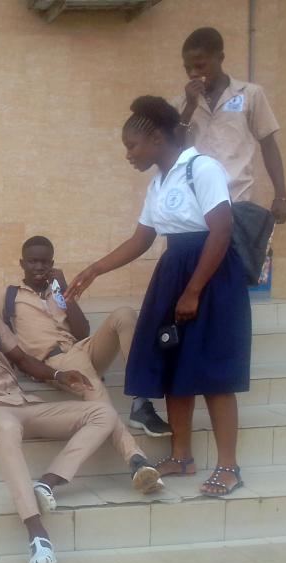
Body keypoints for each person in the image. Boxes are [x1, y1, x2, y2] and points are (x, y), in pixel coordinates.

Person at [0, 269, 164, 563]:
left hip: (23, 403)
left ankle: (48, 482)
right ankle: (36, 532)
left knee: (103, 412)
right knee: (7, 427)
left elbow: (22, 359)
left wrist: (58, 374)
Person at [67, 96, 252, 498]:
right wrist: (95, 269)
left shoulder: (202, 168)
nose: (128, 154)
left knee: (215, 373)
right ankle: (181, 456)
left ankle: (229, 466)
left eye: (132, 145)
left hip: (210, 275)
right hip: (173, 273)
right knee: (174, 366)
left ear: (155, 138)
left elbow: (221, 231)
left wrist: (193, 291)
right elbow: (142, 239)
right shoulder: (158, 183)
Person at [0, 235, 172, 439]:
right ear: (22, 263)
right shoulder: (10, 296)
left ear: (52, 264)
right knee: (93, 385)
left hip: (80, 349)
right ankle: (125, 443)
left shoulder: (58, 291)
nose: (39, 267)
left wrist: (65, 290)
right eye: (32, 261)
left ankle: (141, 402)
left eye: (44, 262)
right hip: (55, 361)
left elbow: (82, 332)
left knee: (124, 314)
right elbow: (1, 337)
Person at [175, 26, 286, 223]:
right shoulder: (181, 104)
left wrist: (281, 196)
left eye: (200, 66)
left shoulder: (250, 94)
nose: (193, 73)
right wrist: (189, 109)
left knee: (237, 244)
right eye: (188, 68)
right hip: (196, 205)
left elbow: (268, 144)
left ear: (220, 58)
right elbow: (175, 147)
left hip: (239, 200)